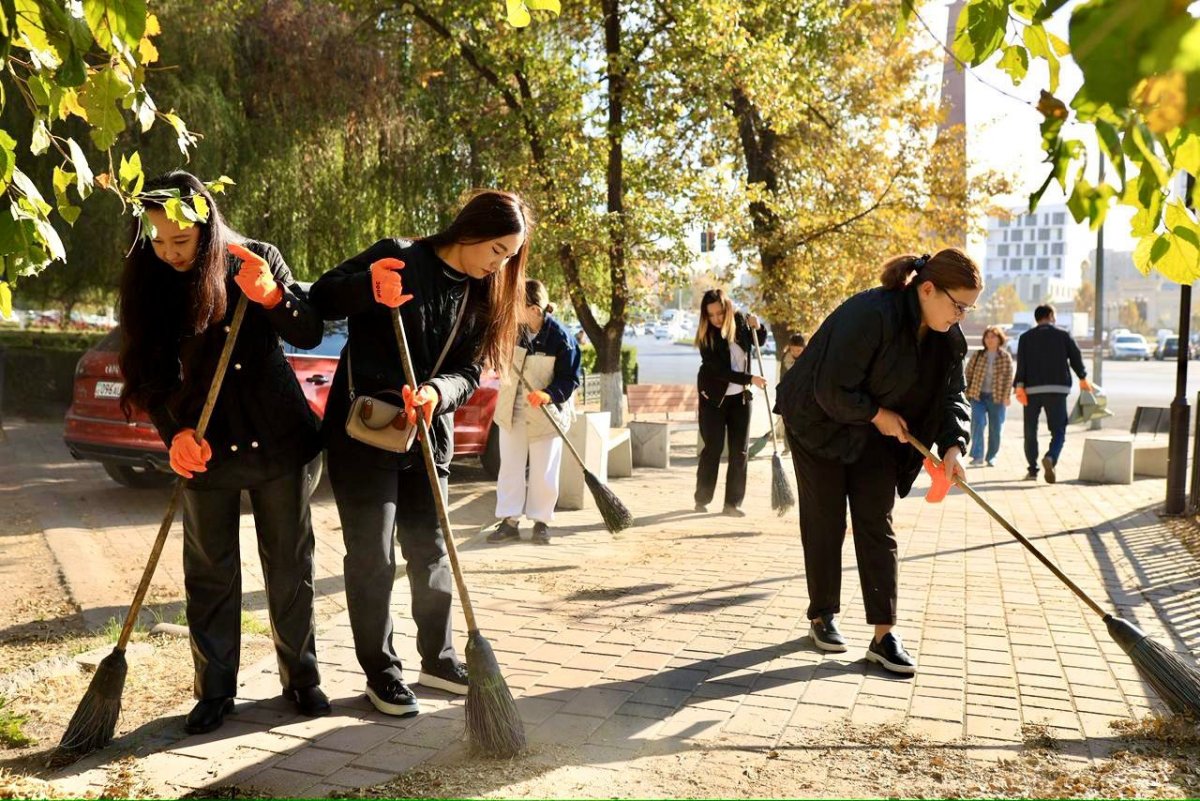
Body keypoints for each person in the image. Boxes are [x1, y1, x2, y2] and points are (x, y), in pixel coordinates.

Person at [118, 171, 328, 734]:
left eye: (180, 242)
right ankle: (214, 689)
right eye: (157, 241)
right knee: (209, 572)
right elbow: (148, 371)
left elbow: (309, 331)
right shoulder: (151, 280)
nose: (168, 253)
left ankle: (302, 677)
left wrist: (274, 299)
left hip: (278, 438)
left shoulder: (255, 257)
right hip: (204, 443)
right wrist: (174, 434)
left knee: (289, 563)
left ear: (205, 224)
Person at [310, 190, 528, 717]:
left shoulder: (484, 295)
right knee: (372, 556)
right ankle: (381, 674)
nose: (499, 263)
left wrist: (437, 393)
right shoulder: (400, 256)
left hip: (428, 436)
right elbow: (320, 298)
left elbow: (473, 371)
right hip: (367, 433)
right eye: (496, 249)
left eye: (508, 256)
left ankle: (440, 657)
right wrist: (369, 288)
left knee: (430, 549)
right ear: (470, 229)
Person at [775, 249, 981, 676]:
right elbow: (830, 387)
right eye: (958, 306)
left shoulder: (947, 336)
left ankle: (884, 635)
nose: (960, 317)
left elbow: (952, 395)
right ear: (927, 289)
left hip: (873, 432)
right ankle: (823, 614)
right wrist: (878, 415)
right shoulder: (870, 313)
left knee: (876, 521)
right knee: (826, 518)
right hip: (818, 422)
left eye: (968, 310)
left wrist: (953, 447)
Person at [487, 280, 582, 546]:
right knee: (510, 467)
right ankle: (509, 521)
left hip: (545, 415)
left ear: (534, 309)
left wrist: (549, 394)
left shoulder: (562, 338)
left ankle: (541, 522)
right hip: (512, 411)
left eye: (517, 306)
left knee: (544, 469)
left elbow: (570, 378)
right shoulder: (511, 332)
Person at [694, 288, 767, 517]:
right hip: (713, 399)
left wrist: (759, 326)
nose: (715, 319)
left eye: (719, 313)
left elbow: (759, 341)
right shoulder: (707, 336)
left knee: (740, 452)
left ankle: (732, 504)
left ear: (727, 309)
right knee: (713, 449)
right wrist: (750, 379)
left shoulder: (740, 322)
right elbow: (718, 371)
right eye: (711, 315)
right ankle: (702, 499)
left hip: (741, 399)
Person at [1014, 304, 1091, 483]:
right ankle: (1051, 457)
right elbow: (1075, 356)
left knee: (1030, 430)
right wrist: (1082, 377)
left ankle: (1032, 470)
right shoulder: (1063, 335)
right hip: (1058, 389)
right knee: (1058, 430)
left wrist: (1019, 385)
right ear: (1050, 315)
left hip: (1031, 390)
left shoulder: (1025, 337)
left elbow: (1022, 364)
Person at [964, 325, 1014, 467]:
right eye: (987, 336)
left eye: (993, 337)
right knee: (977, 424)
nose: (989, 339)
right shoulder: (978, 355)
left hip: (997, 398)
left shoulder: (1005, 357)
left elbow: (1009, 379)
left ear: (1000, 339)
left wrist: (1007, 396)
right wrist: (967, 393)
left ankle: (991, 456)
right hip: (977, 396)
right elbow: (967, 374)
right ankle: (977, 456)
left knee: (996, 428)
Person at [775, 334, 806, 452]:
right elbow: (783, 379)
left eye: (799, 350)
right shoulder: (786, 358)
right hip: (789, 396)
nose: (795, 353)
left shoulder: (809, 358)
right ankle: (788, 447)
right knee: (788, 423)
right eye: (793, 350)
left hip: (804, 397)